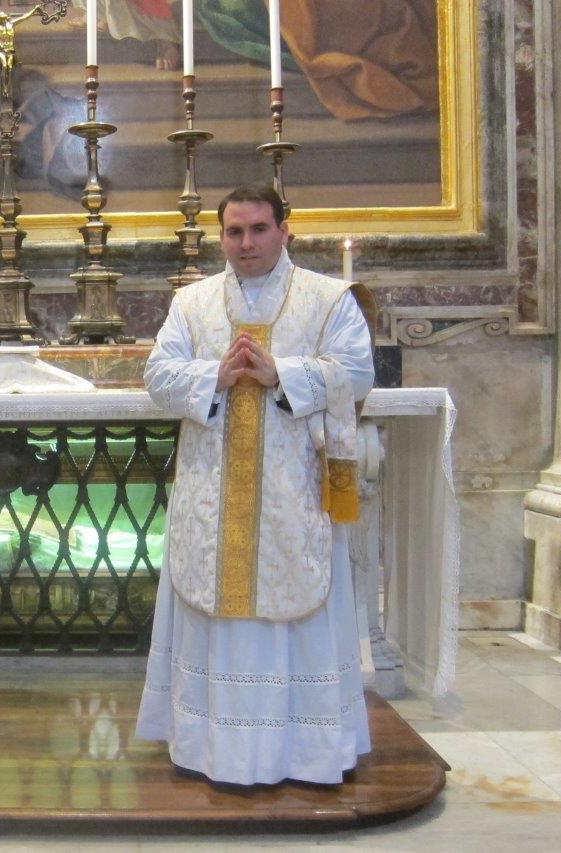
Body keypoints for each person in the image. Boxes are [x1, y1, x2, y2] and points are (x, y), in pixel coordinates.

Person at [134, 183, 374, 786]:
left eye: (259, 229)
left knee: (294, 603)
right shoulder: (192, 304)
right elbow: (158, 375)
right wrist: (213, 375)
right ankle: (208, 747)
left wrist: (281, 373)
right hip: (212, 490)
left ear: (285, 229)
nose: (246, 243)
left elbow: (357, 369)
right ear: (221, 236)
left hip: (290, 493)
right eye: (234, 231)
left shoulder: (327, 298)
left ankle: (305, 752)